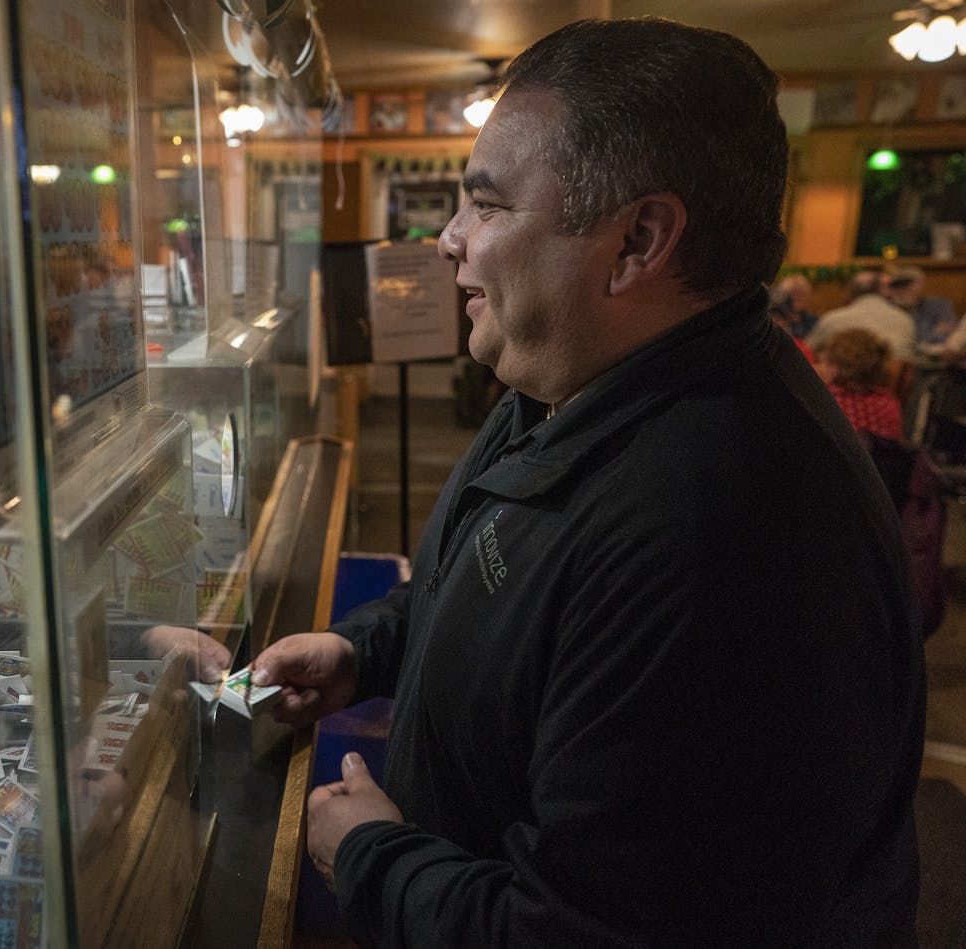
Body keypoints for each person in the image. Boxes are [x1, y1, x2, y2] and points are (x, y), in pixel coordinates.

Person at [251, 18, 923, 948]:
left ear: (638, 240)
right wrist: (361, 650)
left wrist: (370, 855)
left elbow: (592, 929)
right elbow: (495, 579)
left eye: (487, 206)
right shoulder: (573, 371)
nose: (448, 239)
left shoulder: (721, 542)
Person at [805, 268, 917, 364]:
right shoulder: (905, 319)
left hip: (845, 386)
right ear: (882, 291)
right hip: (893, 386)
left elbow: (806, 352)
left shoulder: (833, 319)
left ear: (850, 292)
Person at [813, 328, 905, 440]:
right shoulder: (890, 403)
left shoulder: (829, 401)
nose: (816, 367)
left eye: (824, 363)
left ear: (836, 369)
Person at [883, 264, 957, 346]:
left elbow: (947, 337)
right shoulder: (886, 310)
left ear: (920, 285)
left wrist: (916, 341)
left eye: (906, 284)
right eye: (895, 285)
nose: (902, 290)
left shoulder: (939, 305)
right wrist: (932, 334)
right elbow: (893, 343)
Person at [775, 271, 819, 338]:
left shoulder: (814, 321)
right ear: (783, 296)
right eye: (794, 293)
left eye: (802, 293)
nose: (798, 297)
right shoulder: (774, 320)